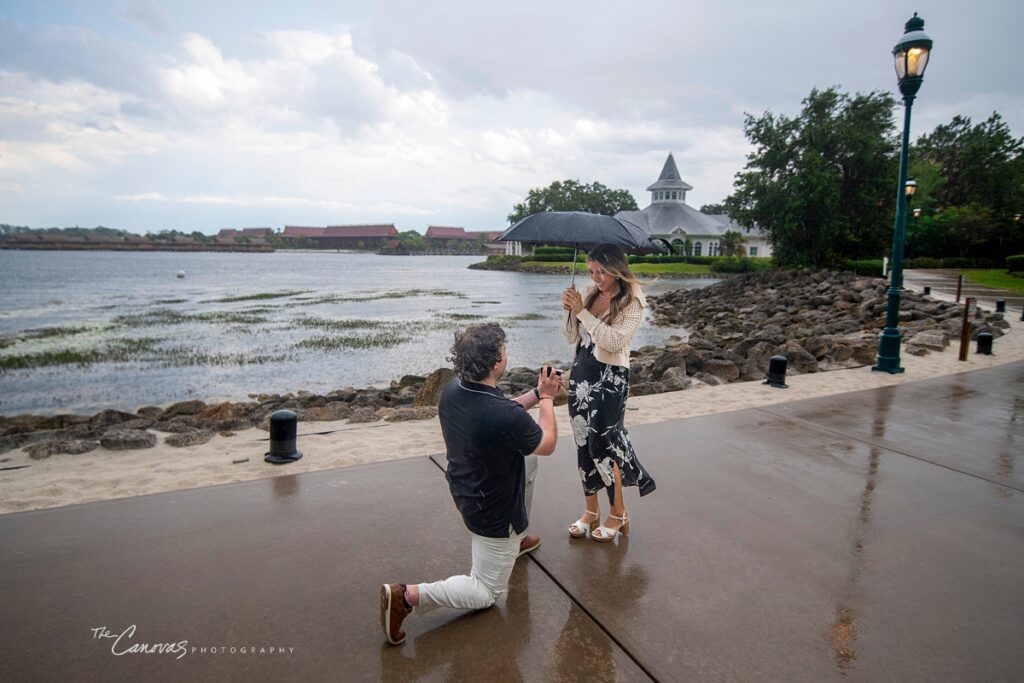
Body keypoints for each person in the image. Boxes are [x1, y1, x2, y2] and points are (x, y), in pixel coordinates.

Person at [380, 322, 561, 645]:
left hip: (467, 487)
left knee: (528, 461)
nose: (507, 353)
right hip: (493, 511)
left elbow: (505, 411)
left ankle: (517, 541)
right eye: (504, 350)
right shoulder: (502, 415)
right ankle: (406, 596)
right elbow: (547, 443)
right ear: (496, 363)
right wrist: (547, 398)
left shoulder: (455, 389)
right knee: (486, 591)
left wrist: (535, 393)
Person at [560, 243, 656, 543]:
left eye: (601, 272)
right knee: (583, 443)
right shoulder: (589, 293)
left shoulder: (632, 301)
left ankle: (619, 513)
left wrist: (582, 312)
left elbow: (614, 342)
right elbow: (572, 336)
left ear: (617, 269)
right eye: (591, 272)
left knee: (605, 445)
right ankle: (591, 511)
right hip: (582, 376)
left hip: (610, 380)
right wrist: (569, 311)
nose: (596, 278)